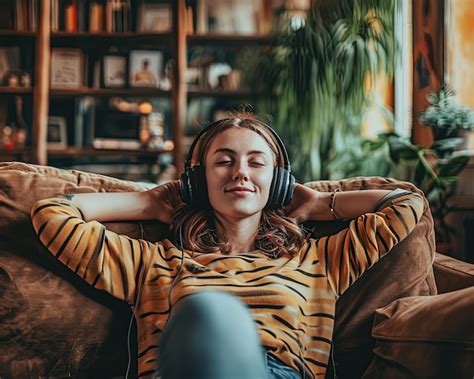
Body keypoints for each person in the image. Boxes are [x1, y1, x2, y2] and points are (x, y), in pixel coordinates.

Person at [31, 113, 423, 379]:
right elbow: (52, 215)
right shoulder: (152, 262)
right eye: (224, 161)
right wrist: (151, 201)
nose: (240, 172)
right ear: (197, 182)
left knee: (208, 311)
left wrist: (321, 204)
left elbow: (407, 203)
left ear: (280, 181)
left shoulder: (318, 260)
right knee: (207, 314)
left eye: (257, 162)